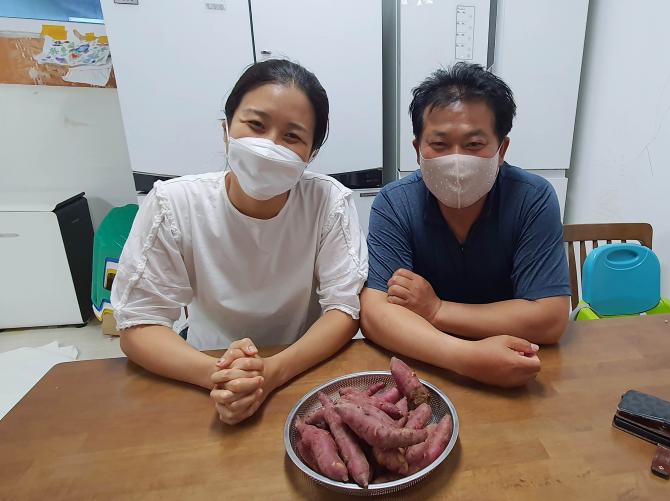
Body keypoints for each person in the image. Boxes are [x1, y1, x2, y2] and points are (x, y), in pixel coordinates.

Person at [111, 59, 368, 424]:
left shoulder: (329, 203)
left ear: (310, 155)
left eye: (292, 137)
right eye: (256, 125)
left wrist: (272, 372)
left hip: (300, 367)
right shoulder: (174, 204)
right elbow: (138, 325)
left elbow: (344, 310)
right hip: (202, 368)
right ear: (226, 129)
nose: (268, 146)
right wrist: (220, 377)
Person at [361, 63, 570, 388]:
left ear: (501, 149)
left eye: (474, 145)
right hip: (425, 371)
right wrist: (465, 357)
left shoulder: (532, 198)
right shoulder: (394, 203)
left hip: (516, 365)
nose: (456, 160)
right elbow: (375, 314)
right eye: (439, 144)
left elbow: (550, 318)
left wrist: (437, 310)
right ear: (417, 150)